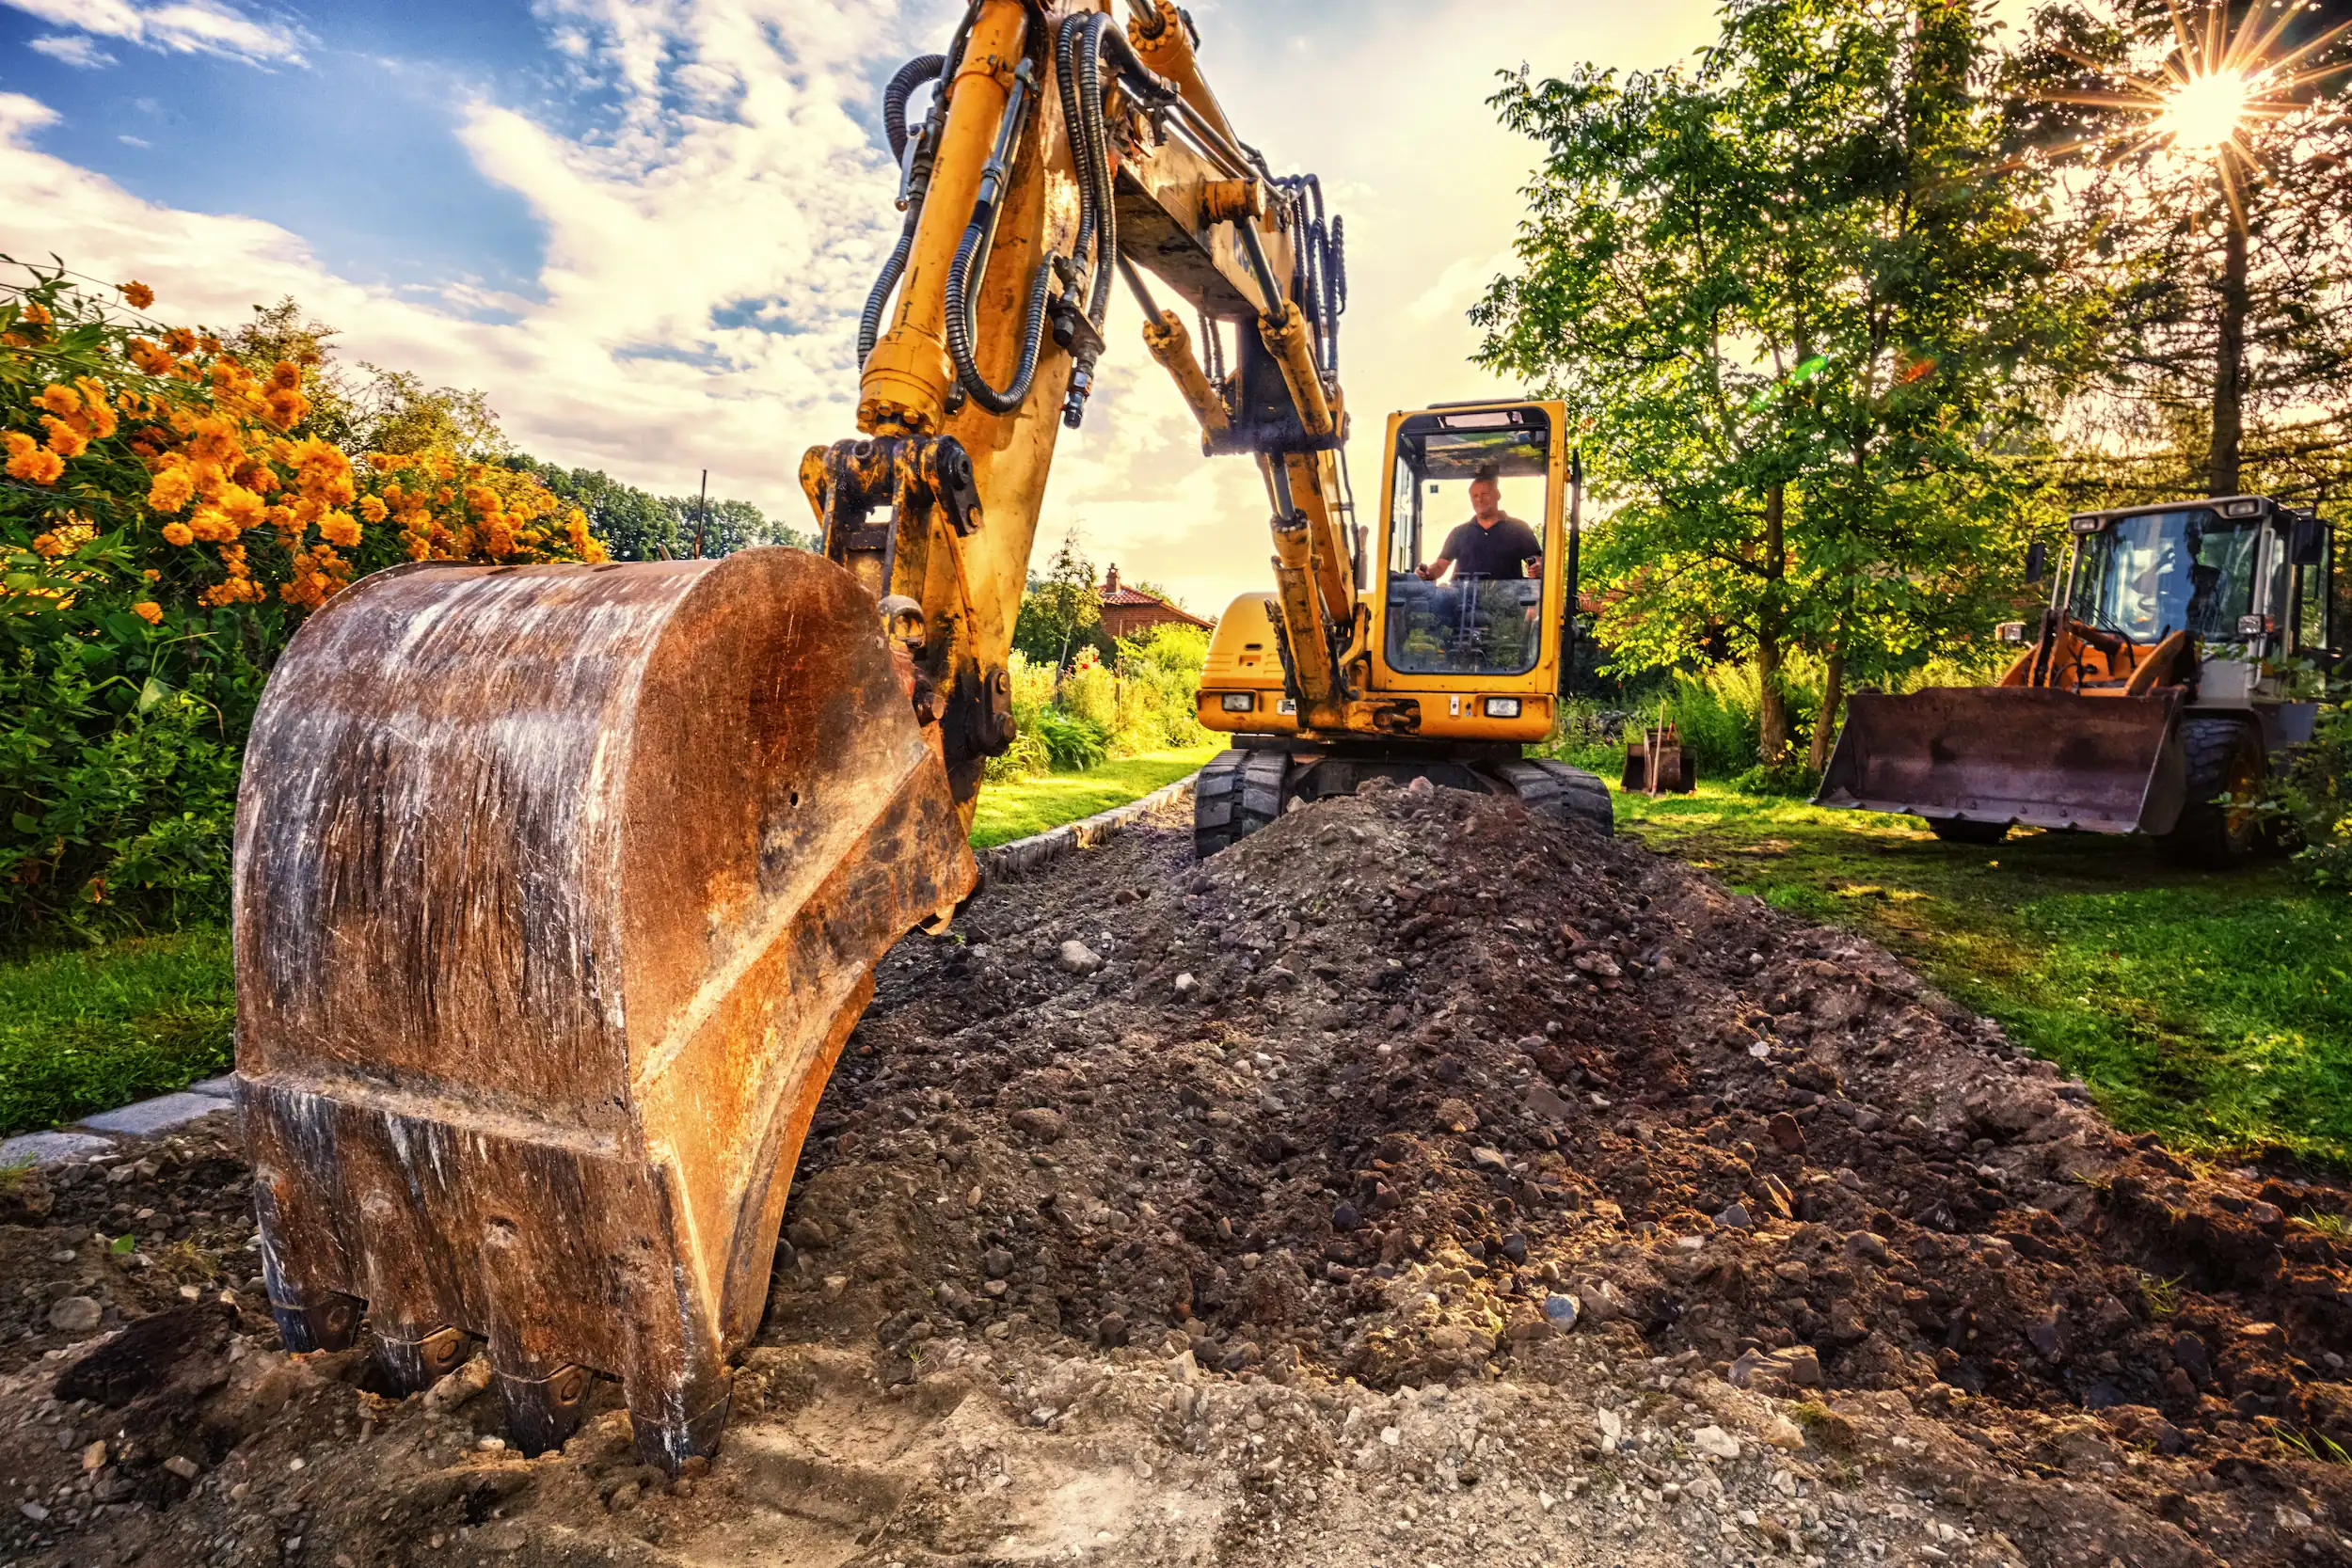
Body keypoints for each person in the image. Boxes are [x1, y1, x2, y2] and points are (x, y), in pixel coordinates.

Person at [1416, 469, 1542, 582]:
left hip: (1505, 603)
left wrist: (1538, 567)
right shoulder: (1459, 533)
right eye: (1475, 496)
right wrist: (1427, 573)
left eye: (1484, 494)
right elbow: (1440, 565)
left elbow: (1537, 561)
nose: (1479, 500)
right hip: (1463, 602)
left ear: (1497, 495)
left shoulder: (1519, 529)